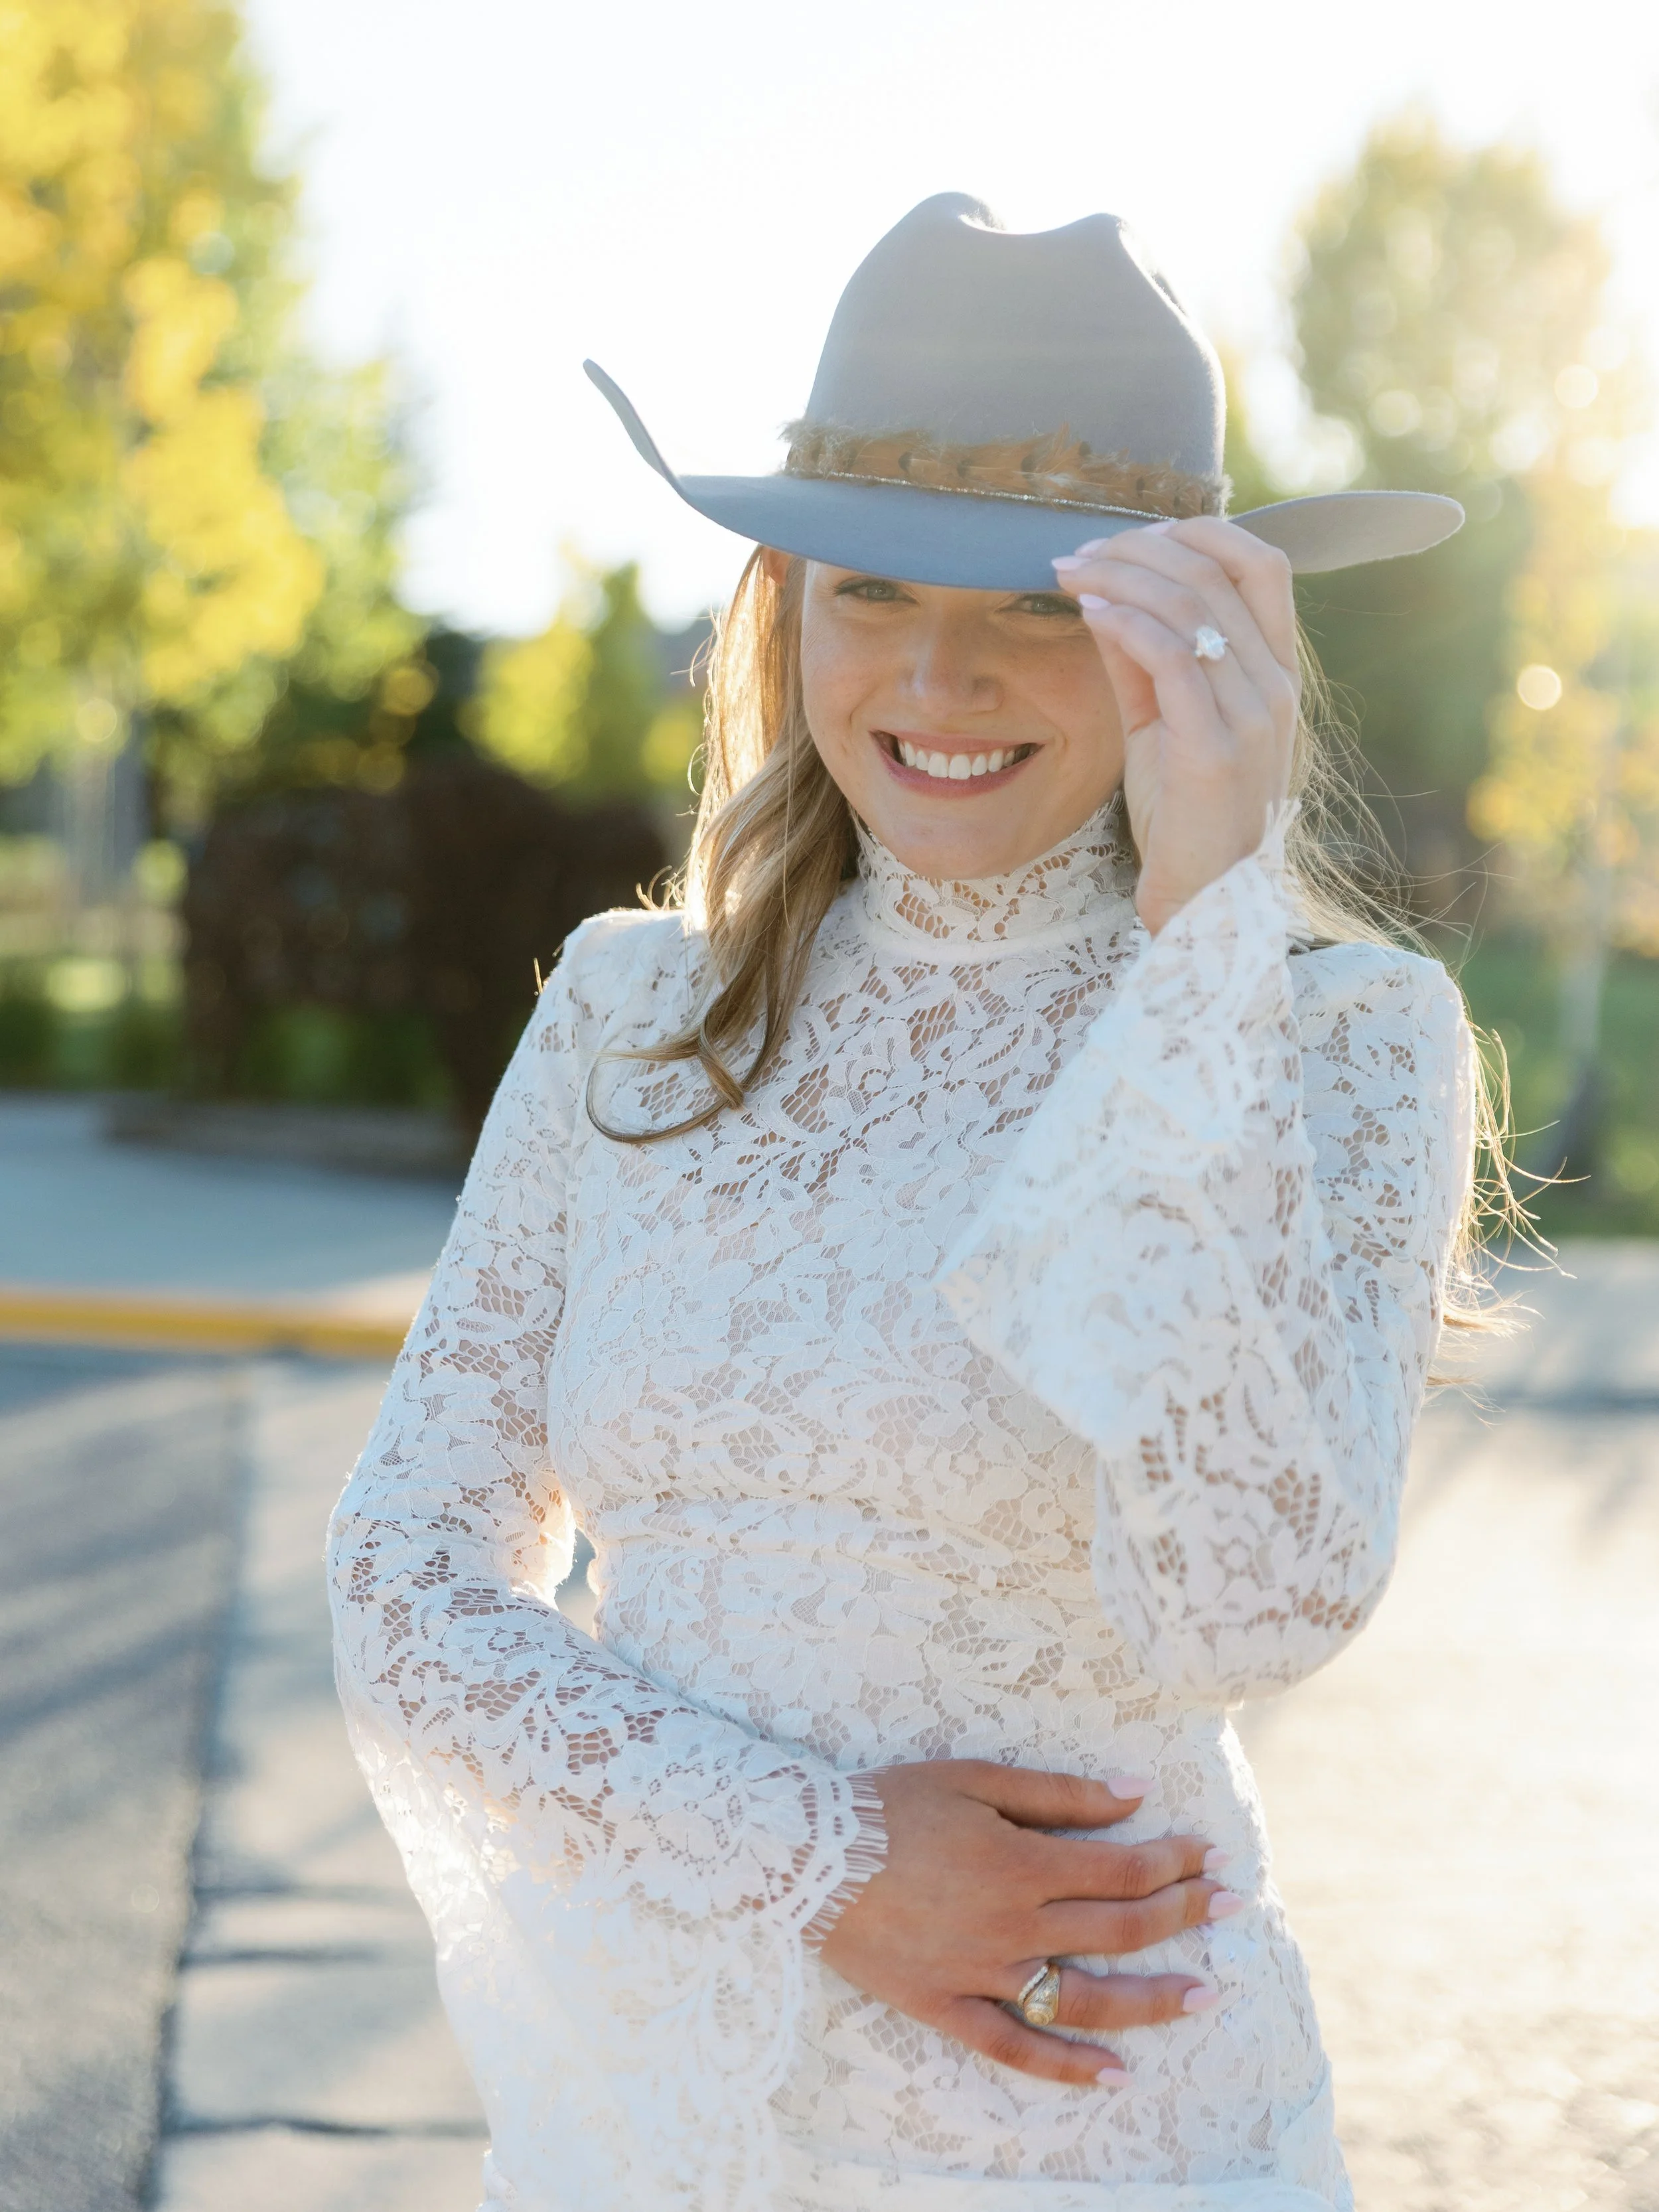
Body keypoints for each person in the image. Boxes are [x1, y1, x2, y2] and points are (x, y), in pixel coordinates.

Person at [328, 195, 1484, 2212]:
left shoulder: (1340, 1034)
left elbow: (1259, 1600)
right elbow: (408, 1586)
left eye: (1048, 601)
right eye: (874, 586)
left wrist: (1207, 917)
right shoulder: (629, 1006)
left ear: (1195, 627)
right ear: (782, 602)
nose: (941, 672)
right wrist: (827, 1861)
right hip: (645, 2116)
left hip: (1092, 2138)